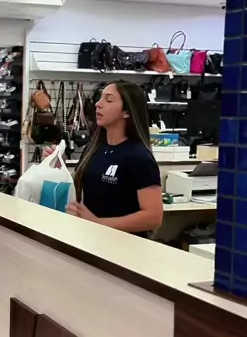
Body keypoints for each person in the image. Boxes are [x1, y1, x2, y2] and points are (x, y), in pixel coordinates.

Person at [47, 81, 163, 234]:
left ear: (127, 112)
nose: (98, 104)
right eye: (100, 98)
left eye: (108, 100)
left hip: (123, 245)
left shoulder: (139, 157)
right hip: (90, 239)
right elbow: (81, 189)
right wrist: (58, 166)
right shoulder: (93, 148)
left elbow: (153, 217)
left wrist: (98, 223)